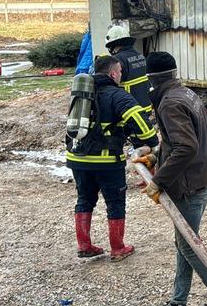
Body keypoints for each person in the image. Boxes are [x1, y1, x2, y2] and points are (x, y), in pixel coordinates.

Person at [134, 52, 207, 306]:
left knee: (189, 246)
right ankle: (178, 300)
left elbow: (186, 147)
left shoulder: (169, 103)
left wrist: (159, 180)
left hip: (192, 184)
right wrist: (155, 157)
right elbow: (178, 141)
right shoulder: (184, 93)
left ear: (150, 78)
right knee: (185, 241)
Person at [66, 55, 158, 261]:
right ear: (113, 73)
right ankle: (118, 248)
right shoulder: (118, 95)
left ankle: (84, 245)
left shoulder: (82, 94)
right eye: (120, 72)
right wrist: (151, 141)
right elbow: (141, 125)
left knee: (84, 199)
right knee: (115, 202)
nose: (121, 76)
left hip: (77, 158)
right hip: (106, 161)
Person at [105, 24, 152, 114]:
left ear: (113, 45)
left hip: (130, 108)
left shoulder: (117, 60)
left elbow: (111, 83)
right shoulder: (140, 55)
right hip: (145, 106)